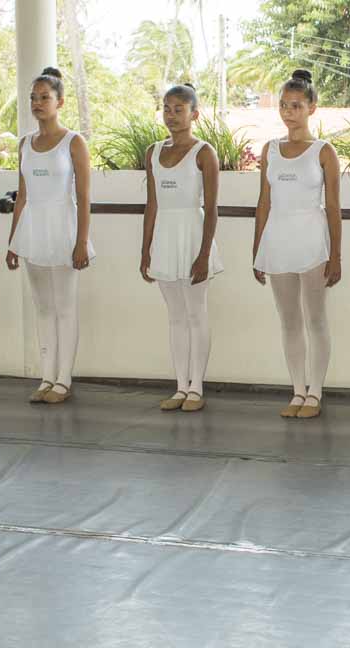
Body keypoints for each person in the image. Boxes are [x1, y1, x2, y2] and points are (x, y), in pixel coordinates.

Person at [251, 69, 343, 419]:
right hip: (278, 239)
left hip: (312, 240)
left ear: (311, 108)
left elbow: (333, 206)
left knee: (315, 319)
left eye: (296, 106)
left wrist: (336, 255)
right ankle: (298, 391)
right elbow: (264, 202)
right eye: (284, 105)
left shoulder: (324, 151)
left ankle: (315, 392)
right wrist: (258, 249)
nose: (289, 112)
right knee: (289, 320)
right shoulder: (270, 150)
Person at [7, 67, 94, 405]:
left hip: (63, 227)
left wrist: (81, 241)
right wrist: (14, 241)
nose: (38, 103)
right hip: (33, 229)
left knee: (64, 307)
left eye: (45, 97)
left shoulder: (74, 142)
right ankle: (47, 377)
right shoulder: (25, 144)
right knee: (43, 307)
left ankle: (63, 380)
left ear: (60, 102)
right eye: (33, 97)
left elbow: (84, 196)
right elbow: (22, 195)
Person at [141, 83, 222, 413]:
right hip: (164, 237)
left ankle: (196, 388)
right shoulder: (153, 152)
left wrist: (204, 254)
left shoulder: (204, 152)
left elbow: (212, 207)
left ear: (194, 114)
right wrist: (145, 250)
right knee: (175, 316)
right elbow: (152, 204)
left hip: (192, 234)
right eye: (167, 109)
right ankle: (180, 386)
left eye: (179, 109)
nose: (171, 115)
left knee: (195, 313)